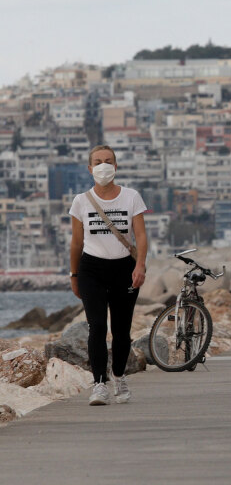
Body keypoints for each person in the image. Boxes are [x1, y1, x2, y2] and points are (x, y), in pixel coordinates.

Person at [68, 145, 148, 406]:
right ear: (90, 168)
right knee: (97, 326)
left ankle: (119, 376)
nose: (103, 166)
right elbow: (76, 243)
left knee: (122, 331)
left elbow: (141, 235)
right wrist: (74, 275)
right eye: (98, 161)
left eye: (108, 161)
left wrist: (140, 265)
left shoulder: (131, 197)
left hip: (124, 269)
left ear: (116, 166)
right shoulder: (81, 201)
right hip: (91, 269)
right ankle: (99, 383)